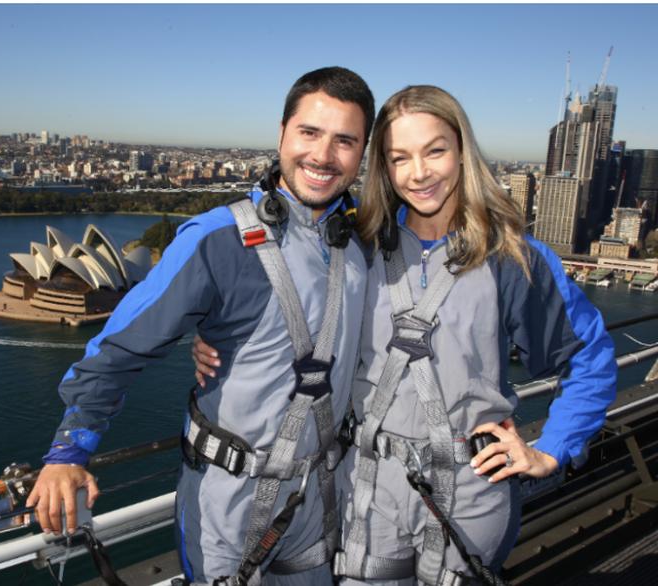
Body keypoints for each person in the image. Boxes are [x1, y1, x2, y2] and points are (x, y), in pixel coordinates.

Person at [194, 85, 617, 585]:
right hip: (371, 493)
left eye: (435, 150)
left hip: (471, 490)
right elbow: (299, 320)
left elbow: (587, 356)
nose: (419, 173)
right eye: (399, 158)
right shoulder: (356, 246)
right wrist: (220, 341)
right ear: (384, 168)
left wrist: (552, 448)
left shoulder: (510, 257)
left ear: (462, 152)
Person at [26, 66, 375, 585]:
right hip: (226, 504)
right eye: (309, 133)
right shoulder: (216, 240)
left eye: (344, 141)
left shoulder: (367, 237)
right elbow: (120, 349)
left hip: (322, 495)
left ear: (362, 153)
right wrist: (69, 450)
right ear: (281, 134)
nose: (323, 156)